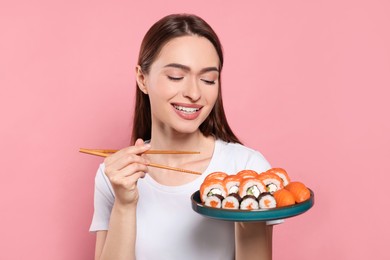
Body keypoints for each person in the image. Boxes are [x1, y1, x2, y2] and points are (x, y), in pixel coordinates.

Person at [90, 13, 276, 260]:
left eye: (208, 79)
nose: (194, 93)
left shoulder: (246, 169)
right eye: (176, 77)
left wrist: (248, 214)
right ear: (142, 78)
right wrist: (124, 205)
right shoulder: (115, 174)